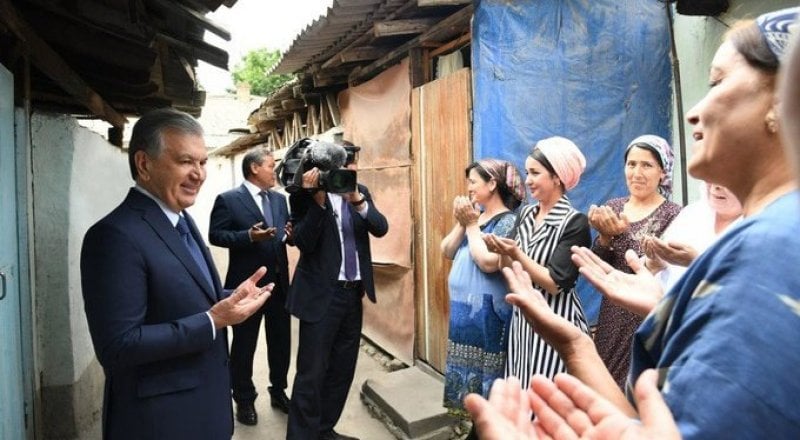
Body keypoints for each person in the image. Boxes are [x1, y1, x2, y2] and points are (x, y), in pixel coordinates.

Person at [467, 8, 800, 438]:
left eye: (717, 82)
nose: (694, 112)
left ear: (784, 99)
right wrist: (581, 342)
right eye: (631, 163)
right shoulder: (765, 237)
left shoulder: (770, 248)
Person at [80, 108, 272, 439]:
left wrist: (230, 298)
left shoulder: (181, 219)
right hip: (160, 422)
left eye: (202, 162)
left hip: (204, 410)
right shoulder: (114, 236)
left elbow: (182, 297)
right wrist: (213, 320)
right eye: (185, 161)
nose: (199, 173)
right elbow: (117, 346)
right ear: (144, 164)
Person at [285, 141, 388, 440]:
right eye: (345, 166)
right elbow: (303, 243)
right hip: (321, 295)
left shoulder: (360, 191)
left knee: (342, 370)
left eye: (354, 165)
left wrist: (357, 200)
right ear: (327, 169)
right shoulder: (304, 196)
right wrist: (317, 200)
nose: (351, 170)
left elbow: (380, 228)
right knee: (311, 373)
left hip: (353, 295)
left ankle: (324, 430)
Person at [482, 136, 592, 388]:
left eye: (535, 173)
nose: (527, 180)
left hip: (557, 321)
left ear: (557, 177)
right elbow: (506, 267)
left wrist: (518, 254)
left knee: (549, 394)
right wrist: (501, 252)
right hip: (523, 321)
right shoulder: (526, 214)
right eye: (527, 172)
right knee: (522, 389)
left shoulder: (574, 223)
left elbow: (556, 283)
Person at [588, 135, 681, 389]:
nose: (637, 173)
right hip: (611, 314)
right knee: (604, 388)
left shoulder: (674, 214)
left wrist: (627, 237)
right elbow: (598, 265)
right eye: (632, 164)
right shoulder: (614, 207)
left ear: (663, 172)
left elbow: (658, 267)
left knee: (635, 387)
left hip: (644, 315)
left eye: (647, 165)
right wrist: (605, 236)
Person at [209, 148, 292, 424]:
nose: (275, 170)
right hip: (246, 287)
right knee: (245, 345)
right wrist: (248, 236)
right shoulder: (229, 200)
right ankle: (244, 400)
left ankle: (278, 391)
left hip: (279, 284)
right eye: (271, 165)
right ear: (255, 168)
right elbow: (216, 235)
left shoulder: (280, 200)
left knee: (281, 341)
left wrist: (289, 234)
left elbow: (284, 231)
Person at [439, 159, 525, 427]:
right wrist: (463, 222)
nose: (469, 188)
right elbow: (447, 250)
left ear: (492, 183)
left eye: (474, 182)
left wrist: (472, 225)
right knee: (465, 374)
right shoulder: (475, 217)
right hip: (464, 315)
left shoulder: (508, 220)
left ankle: (488, 427)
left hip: (489, 315)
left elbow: (489, 262)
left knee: (487, 375)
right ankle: (472, 426)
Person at [642, 182, 741, 292]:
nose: (716, 185)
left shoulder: (757, 226)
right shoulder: (690, 214)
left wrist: (697, 264)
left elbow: (745, 293)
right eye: (710, 174)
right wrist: (657, 263)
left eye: (725, 176)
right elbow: (665, 285)